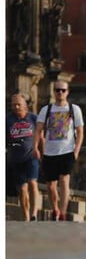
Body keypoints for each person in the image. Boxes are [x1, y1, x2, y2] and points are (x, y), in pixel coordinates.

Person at [34, 82, 84, 222]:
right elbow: (38, 129)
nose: (60, 92)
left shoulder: (74, 109)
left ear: (67, 92)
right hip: (50, 152)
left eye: (63, 90)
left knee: (64, 179)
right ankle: (55, 208)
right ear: (54, 92)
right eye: (57, 90)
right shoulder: (46, 109)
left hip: (67, 151)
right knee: (50, 185)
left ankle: (62, 213)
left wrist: (76, 150)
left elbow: (80, 131)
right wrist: (35, 147)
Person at [6, 93, 40, 221]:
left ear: (25, 105)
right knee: (21, 190)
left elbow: (40, 136)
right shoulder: (8, 119)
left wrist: (39, 149)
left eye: (18, 104)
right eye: (13, 104)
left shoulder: (33, 118)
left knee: (32, 182)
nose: (15, 107)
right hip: (15, 159)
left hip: (31, 156)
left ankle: (34, 214)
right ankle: (26, 217)